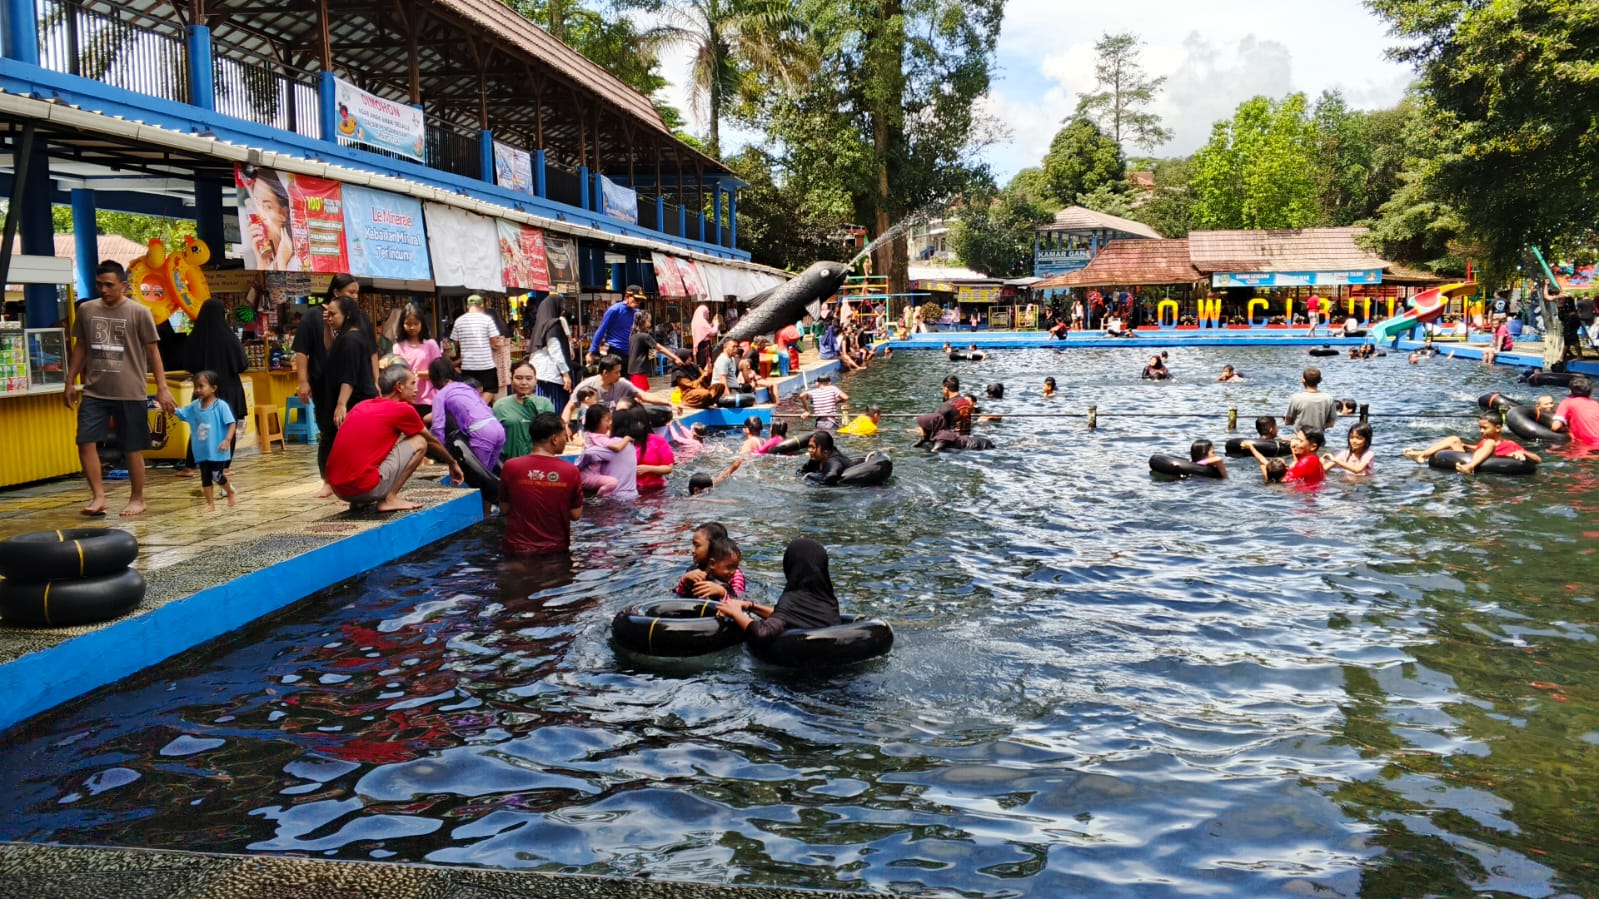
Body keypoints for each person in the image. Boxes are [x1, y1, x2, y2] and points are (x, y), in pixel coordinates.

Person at [63, 261, 177, 517]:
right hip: (94, 391)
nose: (103, 290)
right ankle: (98, 496)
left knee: (131, 447)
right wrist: (70, 381)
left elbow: (153, 353)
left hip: (130, 391)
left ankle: (137, 498)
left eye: (109, 285)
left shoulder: (139, 313)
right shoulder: (87, 310)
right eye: (99, 285)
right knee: (85, 441)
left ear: (123, 286)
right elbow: (81, 347)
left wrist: (162, 388)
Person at [327, 363, 463, 511]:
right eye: (412, 383)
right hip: (365, 489)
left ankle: (359, 502)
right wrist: (452, 462)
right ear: (399, 386)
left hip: (339, 490)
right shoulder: (402, 409)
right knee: (420, 442)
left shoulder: (361, 405)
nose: (416, 389)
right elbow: (431, 441)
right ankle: (390, 499)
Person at [715, 538, 843, 642]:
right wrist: (751, 606)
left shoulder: (792, 600)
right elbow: (792, 617)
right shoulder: (828, 600)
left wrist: (736, 613)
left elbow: (762, 633)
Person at [499, 412, 584, 556]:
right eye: (564, 436)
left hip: (516, 549)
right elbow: (575, 515)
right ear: (554, 439)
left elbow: (504, 508)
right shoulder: (570, 471)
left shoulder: (510, 466)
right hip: (554, 550)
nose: (566, 440)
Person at [181, 298, 249, 464]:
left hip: (204, 389)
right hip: (229, 388)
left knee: (200, 426)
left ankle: (190, 465)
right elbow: (243, 364)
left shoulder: (195, 338)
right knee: (228, 425)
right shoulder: (230, 338)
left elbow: (187, 364)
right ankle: (225, 465)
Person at [173, 370, 238, 511]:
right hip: (201, 450)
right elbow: (182, 413)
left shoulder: (220, 406)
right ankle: (210, 504)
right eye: (195, 386)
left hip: (217, 450)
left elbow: (231, 423)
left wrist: (227, 440)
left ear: (213, 388)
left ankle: (230, 491)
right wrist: (169, 408)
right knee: (205, 477)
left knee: (216, 475)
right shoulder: (194, 406)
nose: (197, 390)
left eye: (201, 386)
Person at [429, 358, 505, 475]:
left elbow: (437, 427)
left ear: (434, 378)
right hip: (497, 428)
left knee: (478, 477)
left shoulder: (441, 395)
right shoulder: (466, 387)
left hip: (481, 431)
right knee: (491, 475)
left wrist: (441, 452)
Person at [1403, 416, 1541, 473]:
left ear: (1498, 428)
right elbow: (1480, 449)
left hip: (1488, 464)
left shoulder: (1509, 444)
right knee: (1454, 439)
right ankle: (1423, 454)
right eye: (1480, 428)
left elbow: (1538, 459)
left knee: (1489, 442)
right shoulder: (1485, 442)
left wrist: (1522, 453)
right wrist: (1466, 446)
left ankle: (1470, 467)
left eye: (1484, 428)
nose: (1481, 431)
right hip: (1472, 457)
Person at [326, 295, 378, 431]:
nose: (329, 318)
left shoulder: (351, 340)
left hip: (357, 402)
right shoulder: (345, 336)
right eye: (328, 314)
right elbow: (329, 347)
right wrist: (327, 326)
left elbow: (349, 376)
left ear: (347, 315)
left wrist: (341, 404)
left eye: (333, 314)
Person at [564, 354, 673, 419]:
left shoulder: (622, 383)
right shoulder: (586, 386)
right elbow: (569, 407)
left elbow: (643, 395)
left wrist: (668, 403)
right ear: (605, 372)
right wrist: (566, 427)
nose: (619, 375)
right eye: (616, 372)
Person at [495, 361, 556, 459]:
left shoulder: (545, 403)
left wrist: (533, 407)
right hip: (509, 461)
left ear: (536, 380)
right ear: (511, 380)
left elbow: (551, 433)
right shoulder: (501, 405)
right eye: (518, 378)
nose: (523, 383)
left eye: (529, 378)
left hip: (539, 461)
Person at [239, 166, 295, 271]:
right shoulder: (259, 256)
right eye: (256, 204)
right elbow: (261, 282)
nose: (260, 215)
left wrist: (282, 262)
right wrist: (261, 261)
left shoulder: (296, 260)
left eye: (267, 207)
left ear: (283, 214)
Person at [392, 303, 441, 421]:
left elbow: (438, 372)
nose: (412, 327)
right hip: (405, 400)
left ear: (422, 324)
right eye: (408, 324)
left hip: (428, 399)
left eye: (416, 323)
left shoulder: (431, 344)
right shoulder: (398, 347)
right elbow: (396, 374)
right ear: (402, 324)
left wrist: (417, 374)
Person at [528, 292, 575, 415]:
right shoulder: (554, 325)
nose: (562, 310)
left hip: (539, 373)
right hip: (552, 374)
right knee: (554, 409)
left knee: (542, 409)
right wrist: (565, 374)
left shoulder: (540, 325)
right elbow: (555, 351)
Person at [576, 404, 637, 498]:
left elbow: (587, 454)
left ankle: (597, 500)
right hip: (631, 494)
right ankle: (598, 499)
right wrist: (627, 438)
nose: (610, 423)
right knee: (612, 482)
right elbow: (590, 453)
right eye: (607, 420)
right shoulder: (630, 445)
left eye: (611, 420)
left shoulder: (594, 437)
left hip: (615, 494)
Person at [676, 523, 747, 598]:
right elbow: (679, 596)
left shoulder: (734, 575)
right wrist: (684, 579)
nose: (692, 550)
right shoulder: (693, 571)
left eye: (697, 545)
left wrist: (722, 592)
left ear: (713, 547)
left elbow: (738, 600)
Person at [450, 295, 501, 393]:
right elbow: (495, 341)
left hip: (467, 366)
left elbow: (455, 342)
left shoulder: (458, 321)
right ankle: (480, 403)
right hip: (486, 365)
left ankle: (475, 403)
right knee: (490, 390)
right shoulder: (487, 320)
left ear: (467, 306)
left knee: (470, 392)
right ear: (481, 305)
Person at [621, 406, 675, 493]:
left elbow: (668, 468)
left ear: (643, 423)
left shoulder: (658, 441)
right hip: (631, 490)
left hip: (656, 489)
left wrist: (649, 468)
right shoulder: (623, 442)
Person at [626, 311, 682, 391]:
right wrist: (675, 358)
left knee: (641, 395)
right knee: (640, 395)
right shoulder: (644, 336)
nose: (650, 324)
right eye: (649, 321)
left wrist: (654, 351)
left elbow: (651, 355)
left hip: (634, 371)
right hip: (639, 372)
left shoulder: (633, 335)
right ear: (643, 321)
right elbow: (660, 349)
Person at [1250, 426, 1325, 485]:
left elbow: (1282, 481)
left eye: (1300, 441)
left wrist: (1265, 470)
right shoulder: (1314, 459)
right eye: (1296, 439)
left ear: (1313, 447)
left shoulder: (1306, 462)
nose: (1295, 443)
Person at [588, 284, 643, 363]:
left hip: (630, 353)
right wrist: (592, 351)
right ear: (627, 296)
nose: (638, 302)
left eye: (640, 300)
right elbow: (601, 329)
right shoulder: (615, 309)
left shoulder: (637, 313)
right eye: (636, 299)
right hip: (614, 351)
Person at [1552, 376, 1599, 446]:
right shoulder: (1595, 404)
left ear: (1570, 391)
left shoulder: (1567, 402)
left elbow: (1555, 427)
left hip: (1589, 445)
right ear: (1590, 392)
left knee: (1552, 449)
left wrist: (1566, 429)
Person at [690, 304, 718, 369]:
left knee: (701, 364)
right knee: (705, 365)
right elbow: (712, 332)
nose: (708, 315)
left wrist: (712, 324)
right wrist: (716, 324)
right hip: (704, 346)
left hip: (700, 346)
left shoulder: (695, 321)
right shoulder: (701, 321)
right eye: (707, 313)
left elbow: (705, 330)